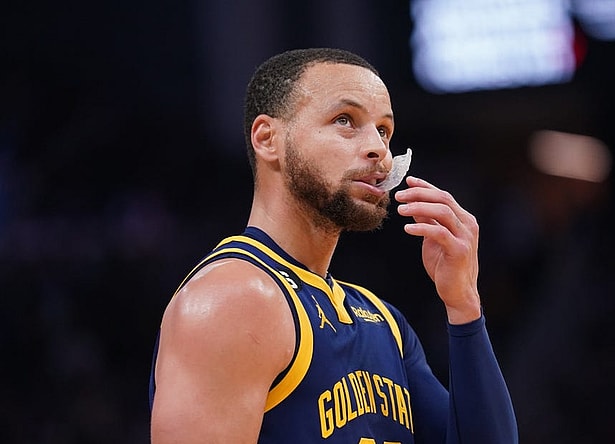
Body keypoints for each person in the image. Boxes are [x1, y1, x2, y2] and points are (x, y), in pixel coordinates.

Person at [148, 47, 517, 443]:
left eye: (384, 131)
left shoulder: (385, 322)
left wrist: (464, 305)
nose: (378, 149)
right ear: (268, 139)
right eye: (345, 120)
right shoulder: (232, 300)